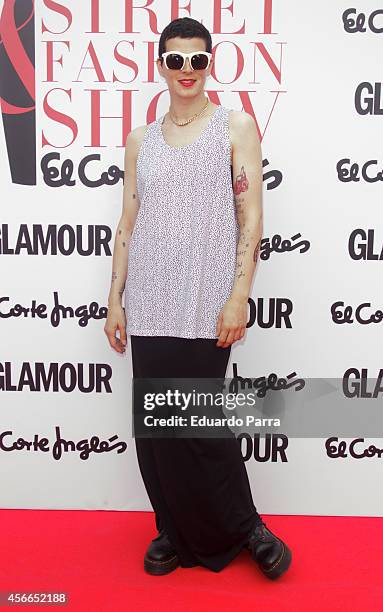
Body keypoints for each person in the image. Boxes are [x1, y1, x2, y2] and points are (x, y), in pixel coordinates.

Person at [104, 16, 292, 578]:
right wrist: (116, 300)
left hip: (207, 300)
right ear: (160, 65)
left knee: (204, 426)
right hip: (150, 303)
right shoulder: (140, 141)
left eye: (198, 60)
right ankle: (171, 529)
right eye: (176, 60)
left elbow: (250, 215)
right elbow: (127, 224)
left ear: (211, 64)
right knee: (155, 428)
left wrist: (239, 296)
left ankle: (248, 528)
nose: (187, 70)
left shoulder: (235, 127)